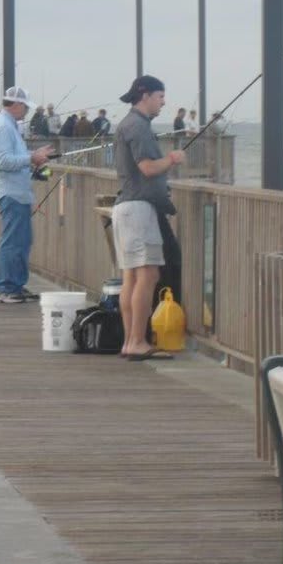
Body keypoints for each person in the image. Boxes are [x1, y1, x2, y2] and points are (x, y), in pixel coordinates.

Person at [112, 75, 186, 360]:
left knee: (131, 277)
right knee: (148, 274)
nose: (163, 102)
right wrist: (172, 159)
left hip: (127, 207)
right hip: (139, 209)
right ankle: (137, 341)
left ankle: (130, 342)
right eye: (160, 97)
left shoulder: (128, 124)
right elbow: (147, 168)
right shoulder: (138, 126)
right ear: (145, 96)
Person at [0, 86, 54, 304]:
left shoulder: (9, 125)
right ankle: (5, 288)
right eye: (25, 107)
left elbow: (13, 156)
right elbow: (3, 161)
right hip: (11, 192)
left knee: (22, 241)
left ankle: (15, 285)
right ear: (15, 105)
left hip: (19, 192)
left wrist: (34, 156)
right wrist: (31, 158)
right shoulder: (3, 127)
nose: (26, 112)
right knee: (12, 242)